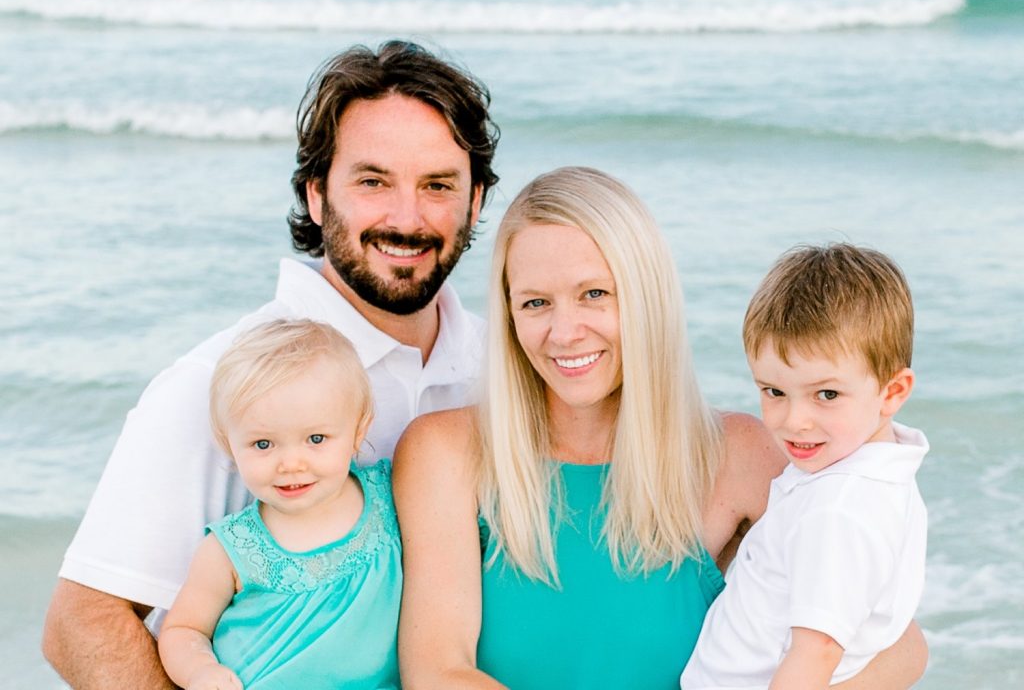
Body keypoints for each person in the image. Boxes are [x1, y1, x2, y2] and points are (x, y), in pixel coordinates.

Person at [43, 39, 499, 689]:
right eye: (372, 181)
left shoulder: (504, 373)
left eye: (438, 185)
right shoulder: (215, 381)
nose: (407, 217)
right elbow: (82, 622)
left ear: (476, 201)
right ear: (316, 196)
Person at [393, 167, 927, 689]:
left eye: (595, 294)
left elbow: (899, 646)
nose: (564, 331)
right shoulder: (445, 452)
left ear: (646, 296)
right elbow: (438, 670)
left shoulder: (743, 454)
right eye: (535, 303)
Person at [680, 243, 928, 689]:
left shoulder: (838, 509)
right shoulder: (880, 475)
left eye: (826, 395)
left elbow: (817, 654)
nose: (794, 421)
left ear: (892, 392)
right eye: (774, 391)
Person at [158, 319, 400, 689]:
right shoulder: (230, 548)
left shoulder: (390, 498)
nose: (290, 464)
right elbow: (184, 628)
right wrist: (201, 671)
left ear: (359, 430)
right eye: (263, 445)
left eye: (315, 438)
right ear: (229, 444)